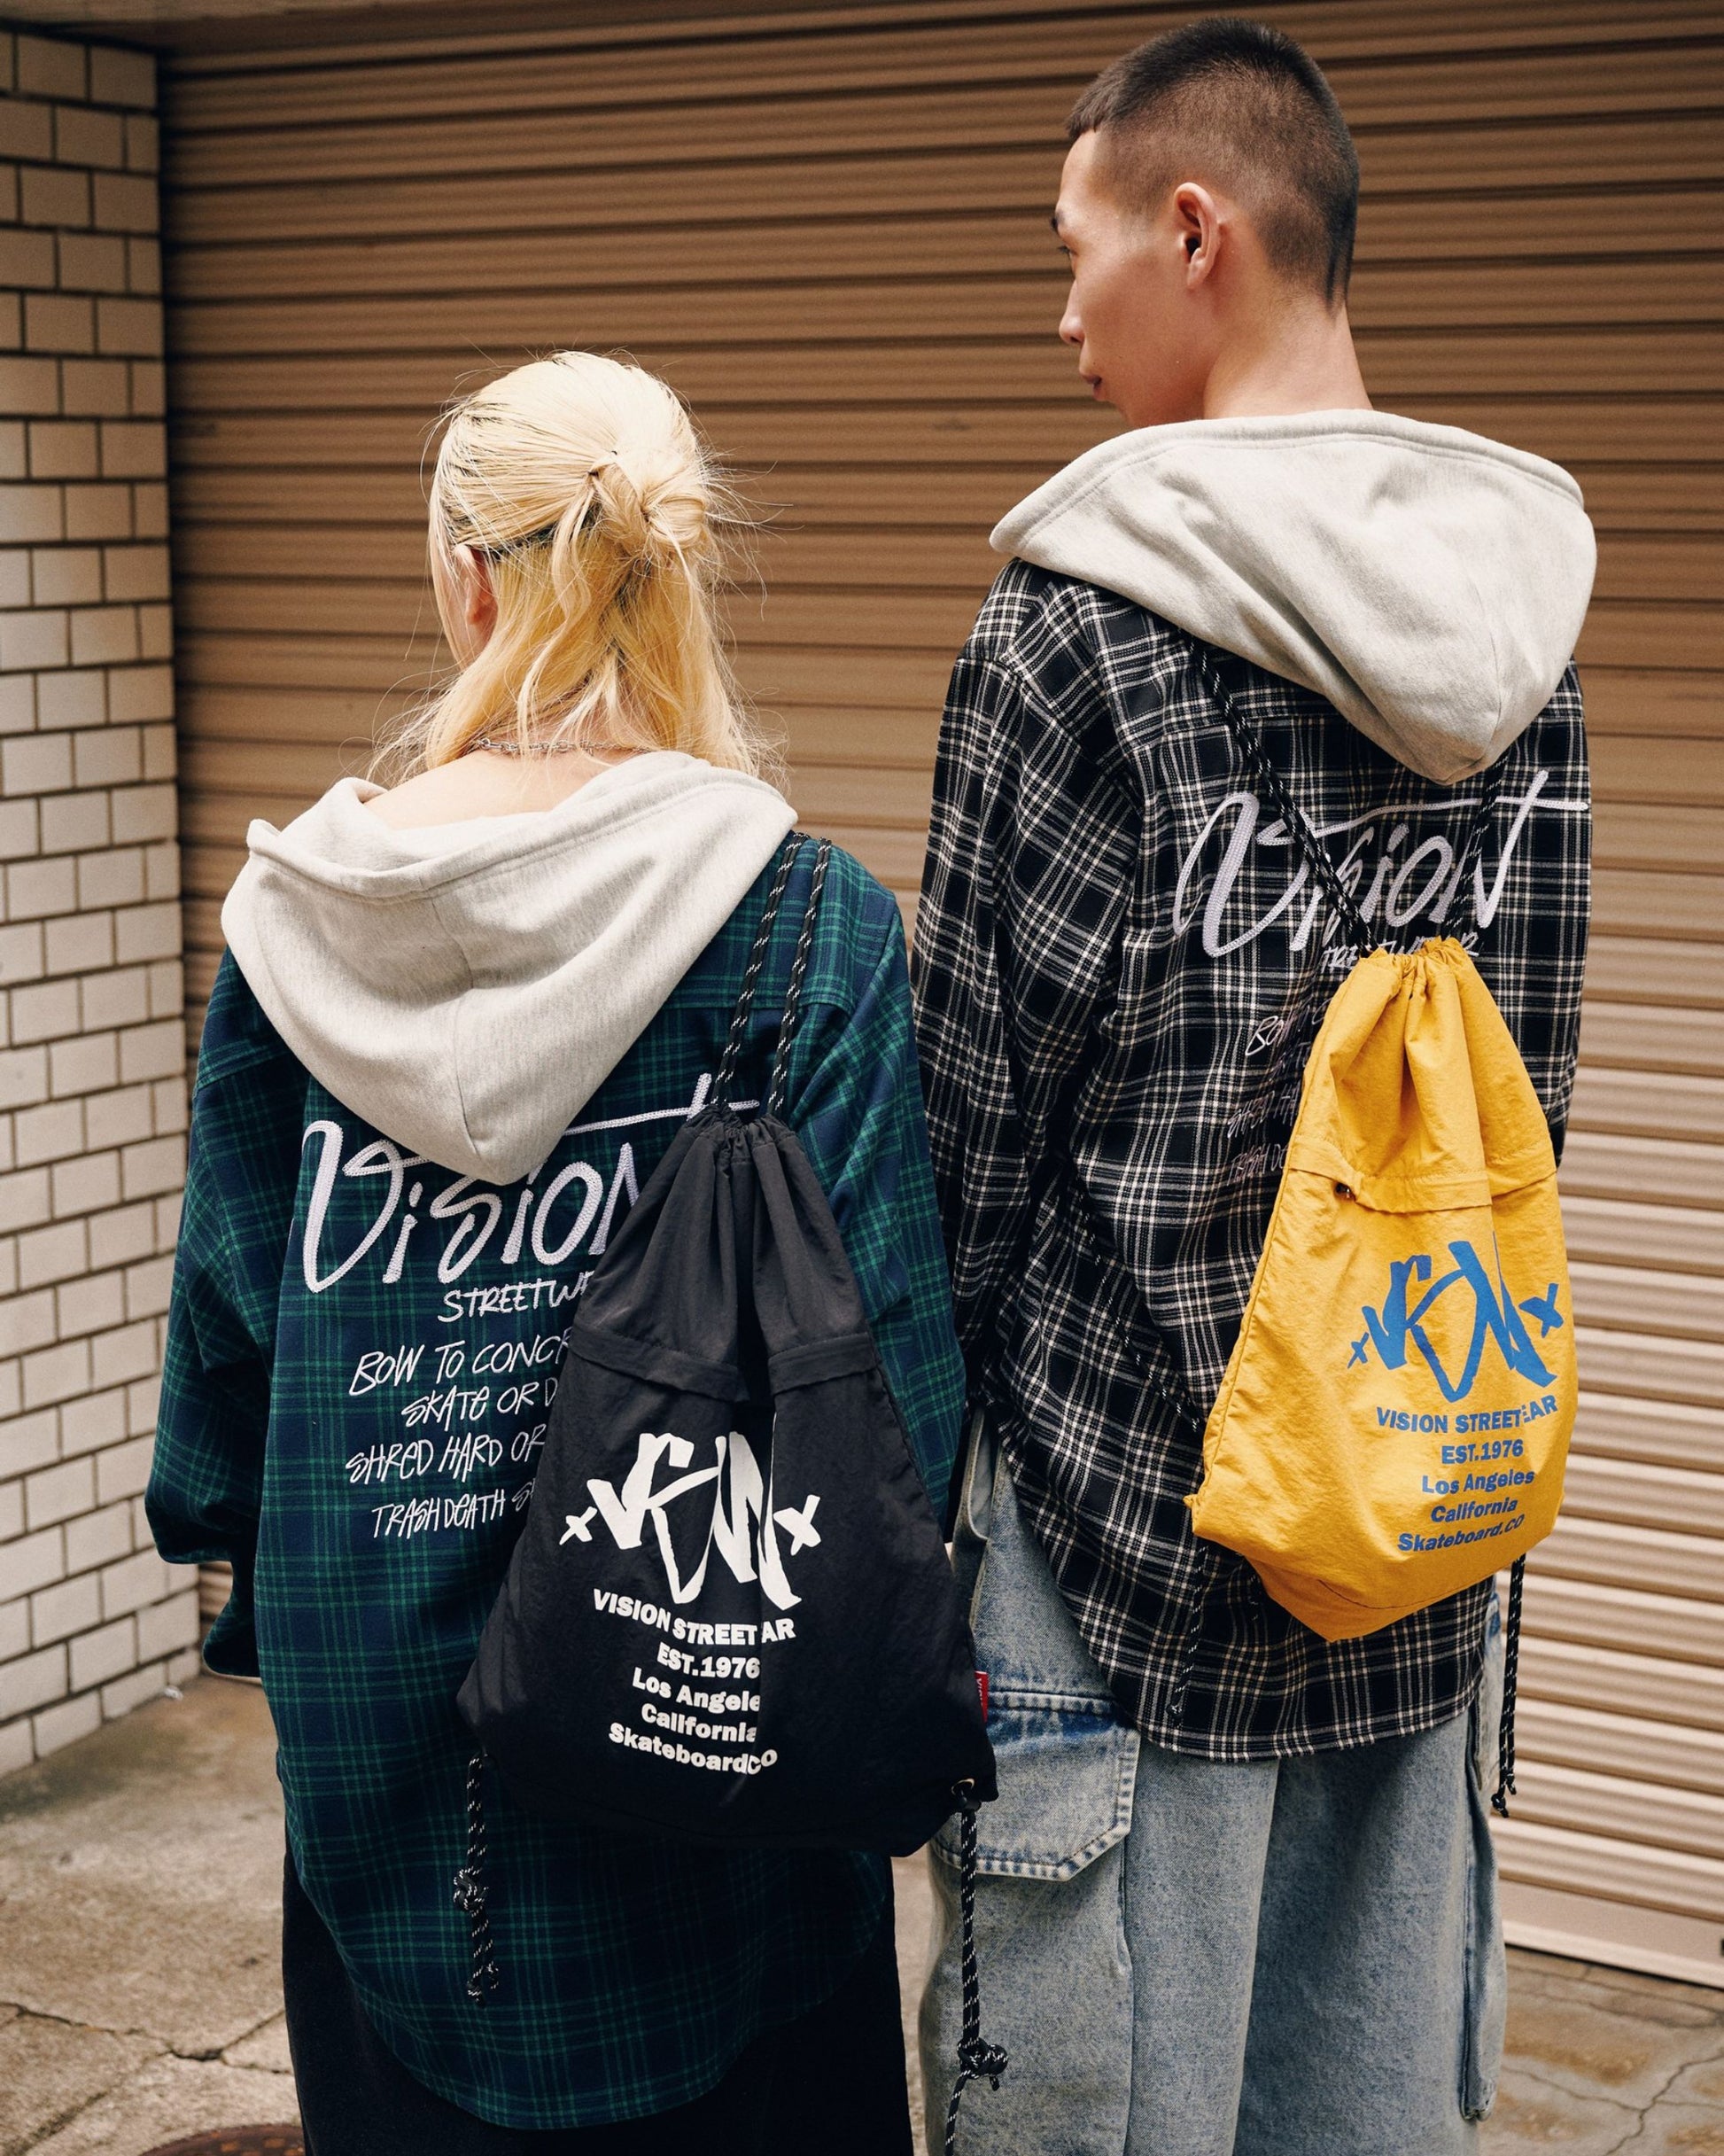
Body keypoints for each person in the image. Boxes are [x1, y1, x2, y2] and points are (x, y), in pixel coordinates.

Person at [146, 351, 963, 2154]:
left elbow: (219, 1407)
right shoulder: (804, 925)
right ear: (677, 575)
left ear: (466, 579)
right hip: (723, 1777)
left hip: (388, 1818)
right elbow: (900, 1399)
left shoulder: (292, 938)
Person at [912, 19, 1593, 2155]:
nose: (1063, 315)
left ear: (1193, 234)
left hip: (1115, 1566)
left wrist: (927, 1519)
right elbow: (1524, 1105)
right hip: (1412, 1528)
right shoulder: (1521, 633)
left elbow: (966, 1146)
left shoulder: (1067, 634)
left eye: (1076, 252)